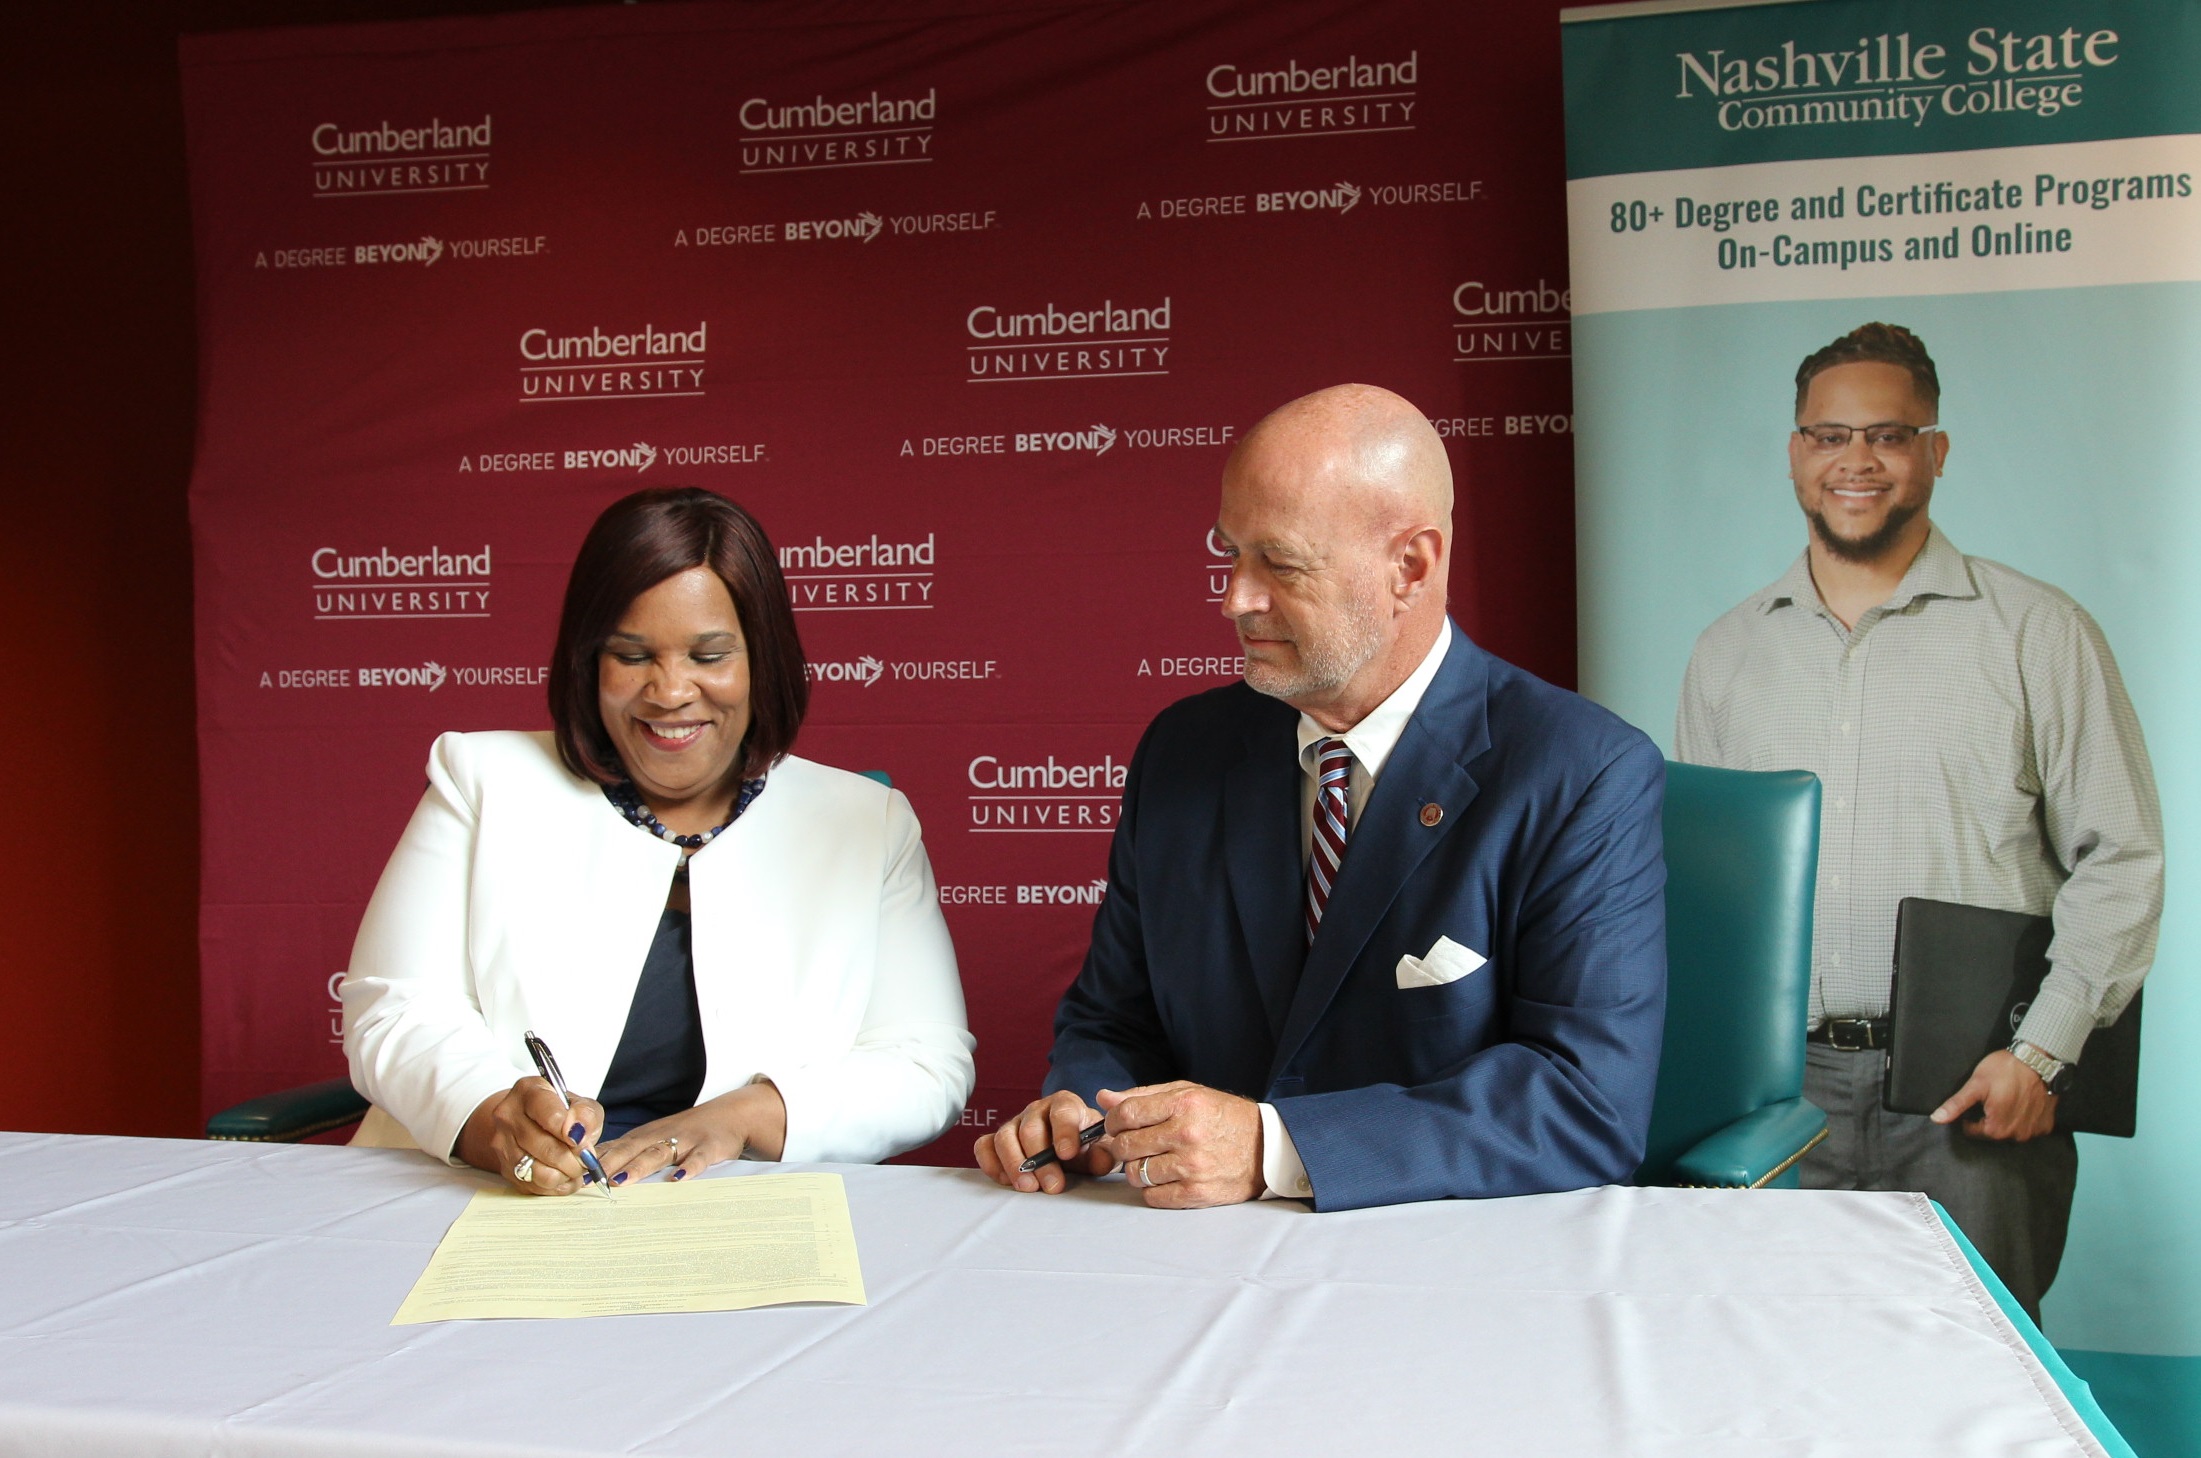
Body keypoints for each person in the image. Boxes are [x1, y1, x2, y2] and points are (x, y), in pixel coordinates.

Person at [976, 384, 1669, 1211]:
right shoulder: (1183, 751)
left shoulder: (1579, 771)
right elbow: (1112, 1022)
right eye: (1228, 552)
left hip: (1453, 1271)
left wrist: (1276, 1150)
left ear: (1409, 566)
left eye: (1280, 562)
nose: (1235, 597)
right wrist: (1085, 1115)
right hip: (1189, 1264)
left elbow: (1582, 1102)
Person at [1676, 322, 2162, 1316]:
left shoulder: (2037, 634)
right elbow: (1705, 900)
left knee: (1971, 1401)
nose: (1854, 460)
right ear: (1792, 454)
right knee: (1777, 1385)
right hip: (1777, 1100)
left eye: (1886, 436)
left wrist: (2040, 1055)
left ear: (1933, 453)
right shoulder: (1725, 654)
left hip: (1972, 1096)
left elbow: (2119, 859)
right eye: (1826, 436)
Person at [343, 487, 975, 1194]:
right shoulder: (481, 780)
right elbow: (394, 1009)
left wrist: (736, 1118)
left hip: (738, 1206)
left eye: (710, 656)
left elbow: (925, 1064)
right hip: (489, 1196)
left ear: (762, 661)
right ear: (589, 664)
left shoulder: (870, 821)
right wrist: (497, 1121)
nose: (670, 692)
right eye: (632, 654)